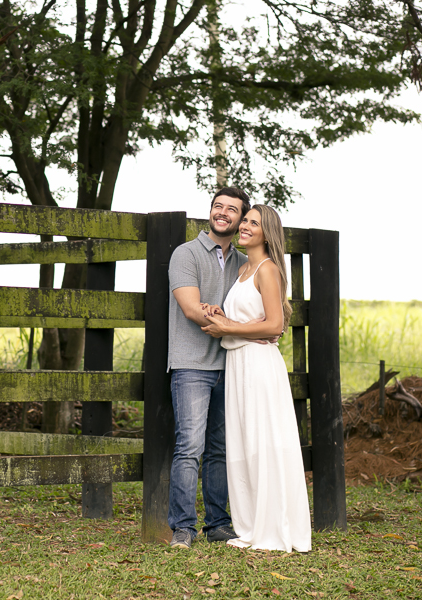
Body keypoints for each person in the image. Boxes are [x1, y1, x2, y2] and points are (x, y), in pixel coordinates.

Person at [201, 204, 312, 553]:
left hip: (260, 366)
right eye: (245, 221)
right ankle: (250, 526)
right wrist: (223, 317)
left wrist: (229, 328)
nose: (245, 226)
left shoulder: (268, 269)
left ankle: (273, 529)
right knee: (243, 444)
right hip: (237, 364)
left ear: (267, 233)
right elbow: (251, 318)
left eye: (254, 223)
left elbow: (275, 325)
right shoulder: (243, 269)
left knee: (264, 443)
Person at [165, 187, 250, 549]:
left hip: (231, 363)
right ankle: (183, 528)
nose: (223, 213)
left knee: (220, 449)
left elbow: (255, 310)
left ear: (241, 219)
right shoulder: (186, 253)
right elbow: (190, 308)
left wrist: (220, 317)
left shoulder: (244, 263)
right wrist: (219, 317)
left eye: (232, 209)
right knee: (190, 447)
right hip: (191, 365)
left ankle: (217, 524)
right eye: (218, 206)